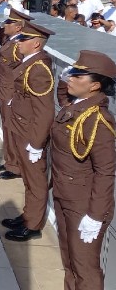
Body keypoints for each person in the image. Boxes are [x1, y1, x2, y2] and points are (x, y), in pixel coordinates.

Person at [52, 50, 116, 289]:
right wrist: (66, 76)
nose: (72, 78)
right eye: (73, 73)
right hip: (64, 193)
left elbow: (105, 171)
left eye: (79, 76)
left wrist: (95, 216)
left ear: (95, 86)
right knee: (69, 261)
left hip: (83, 205)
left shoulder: (97, 119)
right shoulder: (75, 106)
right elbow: (62, 96)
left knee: (85, 267)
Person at [2, 21, 56, 242]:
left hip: (30, 134)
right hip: (21, 128)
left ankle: (32, 225)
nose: (19, 42)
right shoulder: (29, 63)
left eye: (23, 39)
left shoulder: (38, 69)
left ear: (35, 43)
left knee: (35, 181)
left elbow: (44, 112)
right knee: (28, 179)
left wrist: (36, 143)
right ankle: (27, 215)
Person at [0, 9, 29, 180]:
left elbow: (21, 71)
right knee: (7, 128)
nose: (5, 25)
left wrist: (15, 95)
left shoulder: (18, 45)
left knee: (12, 129)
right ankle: (10, 160)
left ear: (18, 27)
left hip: (10, 93)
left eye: (9, 23)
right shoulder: (11, 40)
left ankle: (15, 166)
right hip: (3, 90)